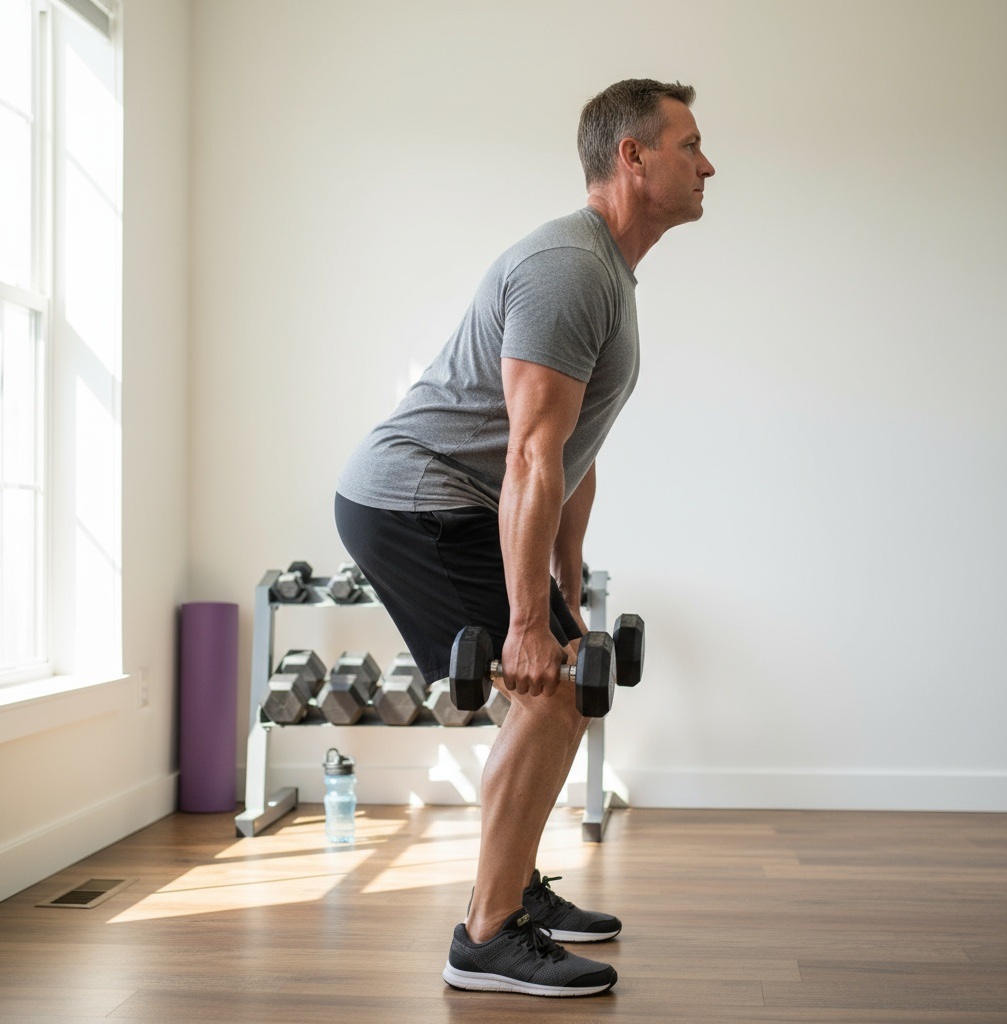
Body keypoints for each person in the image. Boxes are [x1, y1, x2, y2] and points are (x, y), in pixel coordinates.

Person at [335, 78, 715, 997]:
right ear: (633, 157)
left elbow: (575, 456)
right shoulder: (568, 268)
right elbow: (530, 460)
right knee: (546, 694)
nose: (707, 165)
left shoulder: (608, 276)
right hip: (419, 500)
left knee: (567, 689)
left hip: (460, 499)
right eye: (688, 145)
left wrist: (565, 592)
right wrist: (524, 623)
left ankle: (512, 895)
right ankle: (486, 935)